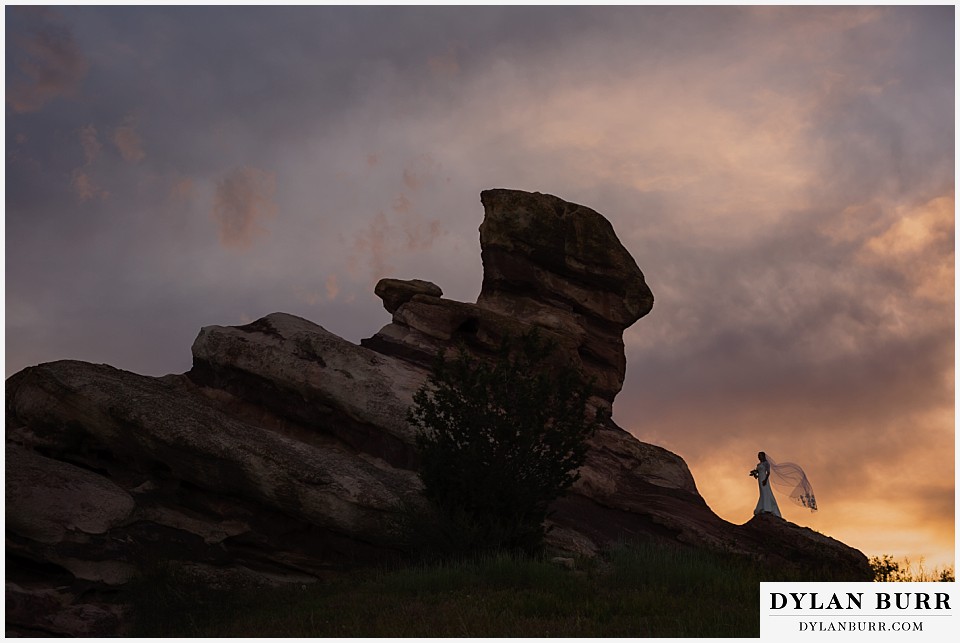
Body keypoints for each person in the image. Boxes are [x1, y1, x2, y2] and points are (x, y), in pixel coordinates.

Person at [750, 451, 781, 517]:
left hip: (764, 478)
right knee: (762, 492)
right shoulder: (758, 465)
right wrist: (755, 474)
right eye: (758, 455)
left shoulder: (766, 463)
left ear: (763, 456)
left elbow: (768, 472)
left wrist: (765, 480)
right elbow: (757, 475)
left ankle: (767, 508)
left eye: (760, 455)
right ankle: (763, 507)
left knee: (766, 492)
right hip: (760, 479)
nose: (758, 457)